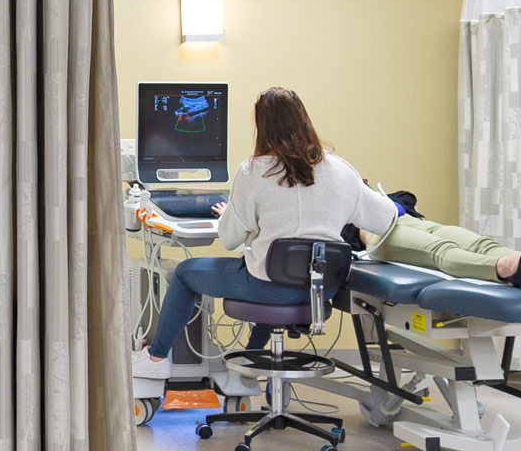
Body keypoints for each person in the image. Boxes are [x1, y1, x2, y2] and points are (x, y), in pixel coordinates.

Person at [133, 87, 398, 380]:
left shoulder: (254, 171)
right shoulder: (341, 170)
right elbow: (386, 219)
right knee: (274, 269)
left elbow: (231, 239)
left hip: (268, 286)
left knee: (185, 272)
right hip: (320, 289)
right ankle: (250, 367)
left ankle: (156, 358)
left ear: (262, 126)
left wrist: (231, 216)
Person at [363, 212, 521, 287]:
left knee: (481, 244)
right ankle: (503, 267)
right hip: (378, 233)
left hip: (416, 222)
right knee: (440, 251)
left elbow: (407, 198)